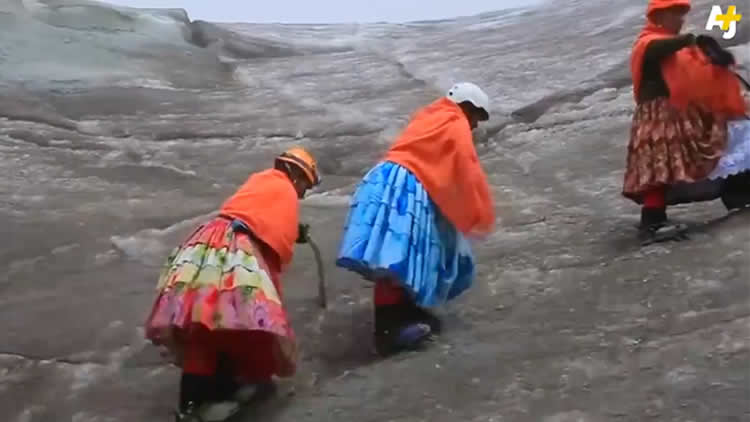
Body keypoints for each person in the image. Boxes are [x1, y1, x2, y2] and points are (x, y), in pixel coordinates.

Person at [144, 148, 320, 421]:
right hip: (237, 248)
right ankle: (236, 391)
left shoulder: (261, 179)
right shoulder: (285, 190)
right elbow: (275, 247)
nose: (302, 194)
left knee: (204, 323)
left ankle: (190, 405)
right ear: (297, 176)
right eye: (304, 187)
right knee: (250, 324)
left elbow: (252, 213)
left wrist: (291, 229)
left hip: (204, 244)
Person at [335, 82, 496, 356]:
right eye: (475, 117)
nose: (475, 126)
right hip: (406, 185)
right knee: (396, 260)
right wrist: (478, 209)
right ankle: (388, 331)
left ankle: (405, 313)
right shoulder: (455, 123)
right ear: (467, 107)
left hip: (387, 179)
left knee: (398, 256)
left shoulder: (431, 115)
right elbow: (465, 168)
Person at [624, 0, 750, 245]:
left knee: (727, 143)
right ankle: (652, 223)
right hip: (657, 117)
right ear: (659, 16)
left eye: (682, 14)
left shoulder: (670, 45)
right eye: (676, 14)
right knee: (659, 168)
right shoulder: (647, 43)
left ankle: (741, 195)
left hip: (679, 113)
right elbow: (658, 48)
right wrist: (691, 40)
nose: (681, 19)